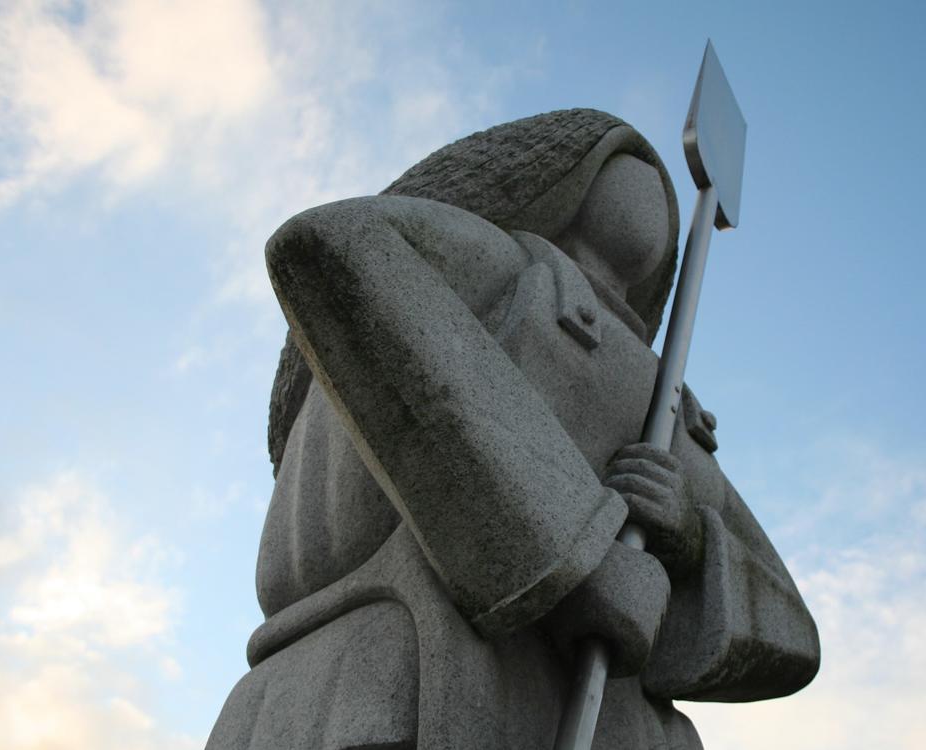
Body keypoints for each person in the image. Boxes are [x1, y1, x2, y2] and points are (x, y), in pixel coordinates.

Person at [207, 109, 819, 750]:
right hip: (412, 682)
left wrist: (693, 542)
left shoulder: (668, 410)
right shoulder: (503, 271)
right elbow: (329, 242)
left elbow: (794, 635)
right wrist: (575, 561)